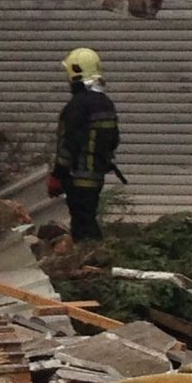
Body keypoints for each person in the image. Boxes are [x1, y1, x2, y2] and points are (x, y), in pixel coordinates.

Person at [47, 47, 124, 242]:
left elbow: (69, 144)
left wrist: (58, 174)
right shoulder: (106, 103)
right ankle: (93, 259)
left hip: (77, 177)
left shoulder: (78, 106)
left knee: (82, 226)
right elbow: (114, 139)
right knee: (88, 219)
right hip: (96, 176)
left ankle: (93, 260)